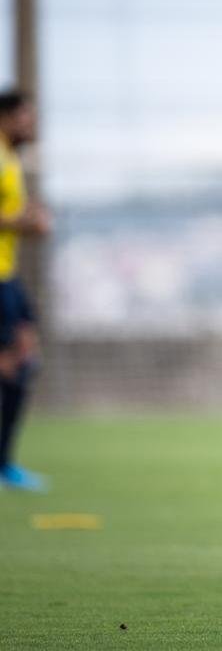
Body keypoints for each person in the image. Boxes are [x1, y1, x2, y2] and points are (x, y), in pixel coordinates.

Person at [0, 90, 51, 491]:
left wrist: (29, 220)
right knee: (8, 366)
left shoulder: (11, 158)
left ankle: (4, 462)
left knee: (25, 359)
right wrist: (23, 222)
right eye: (26, 117)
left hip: (8, 275)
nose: (31, 125)